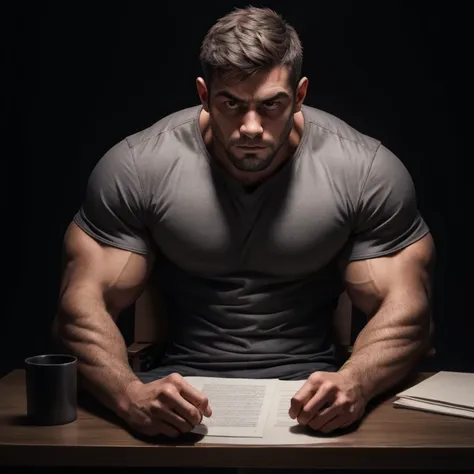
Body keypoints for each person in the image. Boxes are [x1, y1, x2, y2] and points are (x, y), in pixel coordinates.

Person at [53, 6, 435, 439]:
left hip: (315, 396)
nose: (251, 127)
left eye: (271, 105)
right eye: (231, 104)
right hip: (178, 396)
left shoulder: (364, 171)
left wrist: (357, 382)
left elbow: (408, 312)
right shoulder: (139, 167)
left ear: (300, 94)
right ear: (203, 94)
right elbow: (79, 309)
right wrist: (128, 395)